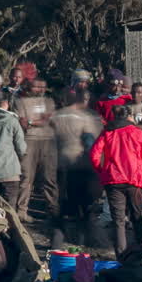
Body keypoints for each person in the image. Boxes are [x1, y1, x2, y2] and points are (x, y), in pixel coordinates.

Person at [90, 105, 142, 257]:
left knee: (118, 221)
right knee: (137, 216)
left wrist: (102, 170)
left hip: (113, 180)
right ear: (128, 115)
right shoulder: (138, 132)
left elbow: (94, 155)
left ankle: (121, 257)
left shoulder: (107, 133)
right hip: (134, 178)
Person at [50, 91, 103, 248]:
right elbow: (96, 143)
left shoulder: (57, 116)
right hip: (83, 167)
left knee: (62, 206)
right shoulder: (92, 117)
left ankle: (58, 243)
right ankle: (82, 241)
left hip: (64, 165)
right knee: (84, 210)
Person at [12, 77, 57, 224]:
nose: (40, 89)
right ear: (30, 87)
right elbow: (22, 122)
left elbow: (50, 120)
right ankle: (21, 211)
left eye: (43, 87)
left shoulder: (49, 102)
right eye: (37, 87)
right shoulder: (20, 102)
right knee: (26, 177)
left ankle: (53, 211)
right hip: (28, 141)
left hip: (48, 142)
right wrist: (37, 122)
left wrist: (31, 121)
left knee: (49, 178)